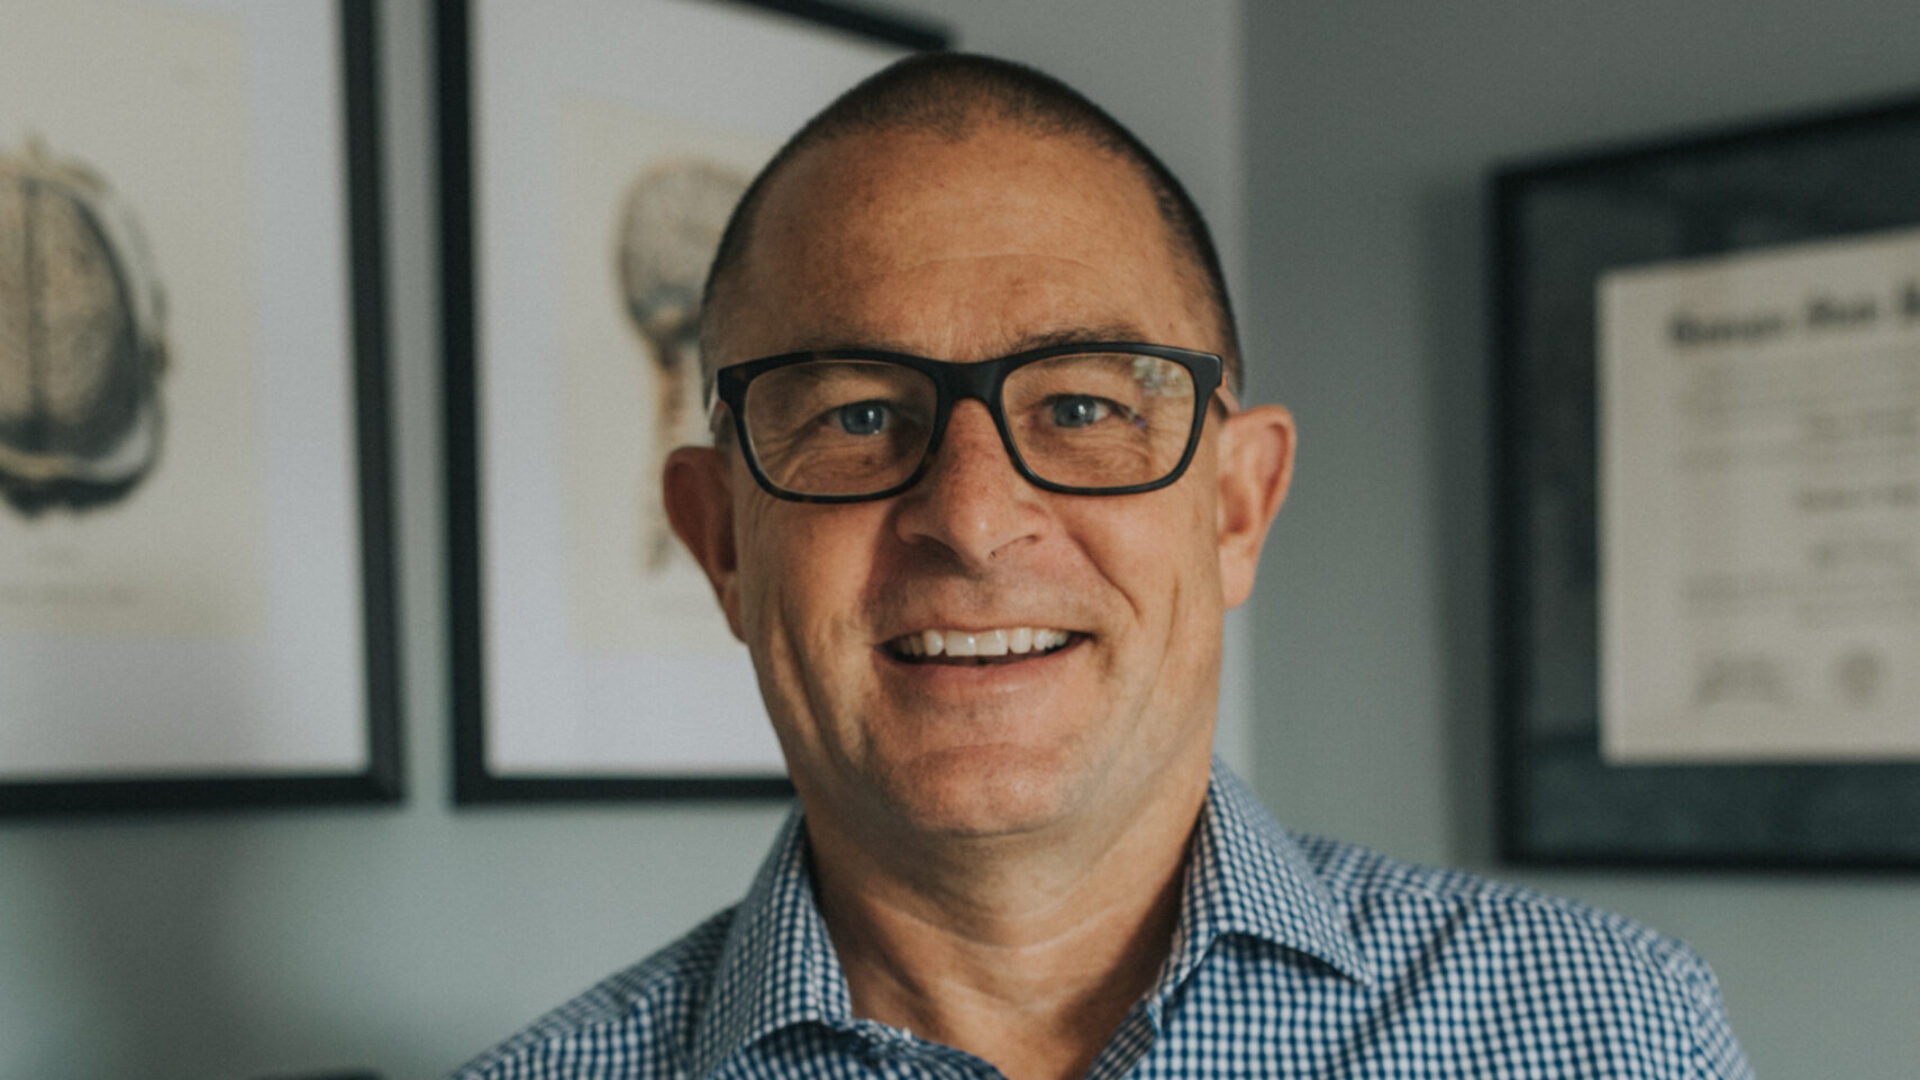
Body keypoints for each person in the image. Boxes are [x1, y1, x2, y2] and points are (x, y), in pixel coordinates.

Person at [454, 53, 1753, 1080]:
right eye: (857, 415)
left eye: (1081, 407)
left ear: (1238, 508)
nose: (969, 516)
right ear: (724, 541)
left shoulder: (1615, 1035)